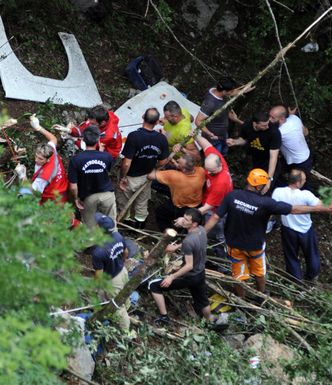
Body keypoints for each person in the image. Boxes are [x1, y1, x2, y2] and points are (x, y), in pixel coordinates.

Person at [205, 168, 332, 298]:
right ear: (259, 185)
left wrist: (202, 233)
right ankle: (262, 294)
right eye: (265, 184)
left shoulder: (232, 196)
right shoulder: (265, 203)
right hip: (255, 246)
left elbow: (215, 217)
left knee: (239, 274)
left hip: (234, 244)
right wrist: (319, 208)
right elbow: (293, 209)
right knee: (259, 272)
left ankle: (240, 298)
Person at [149, 208, 214, 325]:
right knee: (202, 300)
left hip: (190, 276)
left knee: (154, 285)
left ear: (194, 223)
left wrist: (171, 277)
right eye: (183, 217)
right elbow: (189, 243)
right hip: (200, 273)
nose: (183, 221)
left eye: (186, 220)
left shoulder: (189, 241)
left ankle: (164, 317)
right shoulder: (201, 230)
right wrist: (176, 247)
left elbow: (189, 266)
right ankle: (211, 322)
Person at [117, 108, 169, 229]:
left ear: (142, 117)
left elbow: (126, 163)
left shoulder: (134, 136)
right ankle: (139, 227)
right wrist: (153, 168)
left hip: (131, 177)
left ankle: (125, 225)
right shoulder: (161, 138)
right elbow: (163, 161)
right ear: (157, 122)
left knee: (124, 201)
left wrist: (122, 177)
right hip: (147, 176)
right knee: (142, 203)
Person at [272, 169, 323, 281]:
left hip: (288, 229)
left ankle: (295, 279)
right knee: (311, 253)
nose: (305, 181)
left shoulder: (278, 192)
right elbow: (320, 206)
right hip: (306, 229)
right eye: (304, 180)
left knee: (291, 255)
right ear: (298, 182)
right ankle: (312, 275)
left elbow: (273, 207)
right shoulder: (306, 195)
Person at [68, 125, 116, 228]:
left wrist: (76, 199)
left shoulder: (75, 160)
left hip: (88, 197)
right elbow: (107, 170)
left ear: (83, 140)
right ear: (98, 139)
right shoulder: (107, 156)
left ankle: (92, 243)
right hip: (107, 195)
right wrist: (101, 154)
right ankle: (114, 243)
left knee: (90, 228)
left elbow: (73, 186)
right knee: (111, 226)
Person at [15, 114, 68, 204]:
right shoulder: (51, 151)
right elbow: (53, 139)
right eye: (36, 156)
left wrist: (23, 176)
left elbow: (33, 191)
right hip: (62, 186)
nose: (36, 160)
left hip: (52, 197)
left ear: (47, 160)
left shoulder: (44, 176)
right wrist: (39, 128)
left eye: (40, 159)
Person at [195, 77, 254, 156]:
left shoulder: (216, 90)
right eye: (231, 91)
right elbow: (198, 121)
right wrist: (209, 133)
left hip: (223, 134)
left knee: (224, 150)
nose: (233, 92)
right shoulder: (210, 103)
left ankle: (224, 154)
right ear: (224, 92)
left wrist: (243, 90)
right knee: (216, 156)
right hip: (214, 138)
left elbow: (231, 93)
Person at [91, 212, 130, 330]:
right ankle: (128, 306)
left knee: (118, 307)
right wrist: (120, 262)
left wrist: (94, 288)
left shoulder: (99, 251)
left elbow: (99, 275)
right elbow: (126, 252)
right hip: (122, 271)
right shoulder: (117, 236)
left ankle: (125, 333)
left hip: (112, 280)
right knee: (125, 292)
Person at [227, 110, 281, 194]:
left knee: (265, 189)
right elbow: (244, 140)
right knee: (253, 186)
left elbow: (273, 157)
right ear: (255, 124)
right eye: (264, 125)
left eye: (268, 123)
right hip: (255, 160)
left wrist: (269, 179)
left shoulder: (274, 132)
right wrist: (235, 142)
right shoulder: (247, 126)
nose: (267, 126)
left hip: (269, 162)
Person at [194, 135, 233, 252]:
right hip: (209, 202)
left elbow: (208, 207)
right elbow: (206, 145)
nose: (209, 173)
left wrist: (190, 215)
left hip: (216, 212)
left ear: (220, 165)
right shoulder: (215, 159)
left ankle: (222, 260)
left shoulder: (221, 183)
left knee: (216, 235)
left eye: (212, 171)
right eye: (208, 169)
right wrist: (195, 135)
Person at [147, 153, 205, 231]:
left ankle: (167, 232)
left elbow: (150, 176)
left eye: (179, 162)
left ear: (183, 169)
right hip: (195, 204)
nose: (177, 160)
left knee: (160, 214)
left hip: (179, 206)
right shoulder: (201, 171)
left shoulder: (174, 176)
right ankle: (182, 230)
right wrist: (176, 165)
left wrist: (157, 167)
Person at [54, 105, 122, 158]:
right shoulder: (104, 115)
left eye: (93, 124)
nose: (89, 124)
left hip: (109, 152)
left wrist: (73, 139)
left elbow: (92, 146)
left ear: (103, 123)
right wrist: (69, 130)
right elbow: (84, 128)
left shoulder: (108, 135)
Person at [269, 105, 312, 180]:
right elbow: (306, 132)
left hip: (300, 162)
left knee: (298, 184)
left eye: (272, 118)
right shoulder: (294, 118)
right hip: (303, 154)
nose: (269, 119)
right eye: (269, 116)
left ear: (282, 119)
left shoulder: (280, 132)